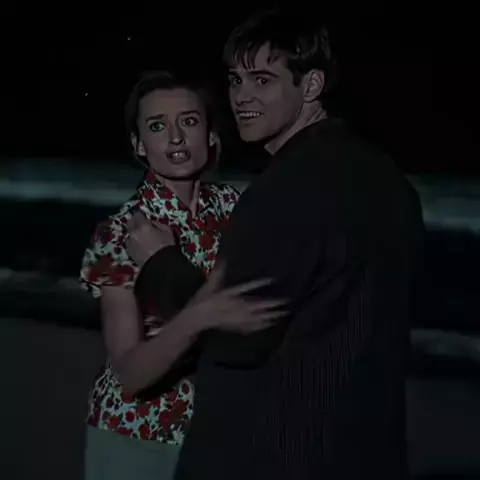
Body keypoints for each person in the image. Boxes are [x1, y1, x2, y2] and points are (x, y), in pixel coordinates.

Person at [128, 8, 425, 480]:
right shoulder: (391, 183)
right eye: (235, 79)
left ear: (311, 86)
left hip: (275, 456)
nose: (241, 96)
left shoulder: (286, 189)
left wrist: (159, 263)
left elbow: (236, 336)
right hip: (365, 451)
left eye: (262, 80)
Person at [78, 70, 285, 480]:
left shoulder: (235, 207)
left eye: (188, 121)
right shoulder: (122, 233)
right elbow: (130, 375)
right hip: (139, 434)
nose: (175, 138)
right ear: (139, 145)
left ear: (210, 134)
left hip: (221, 432)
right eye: (157, 126)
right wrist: (199, 316)